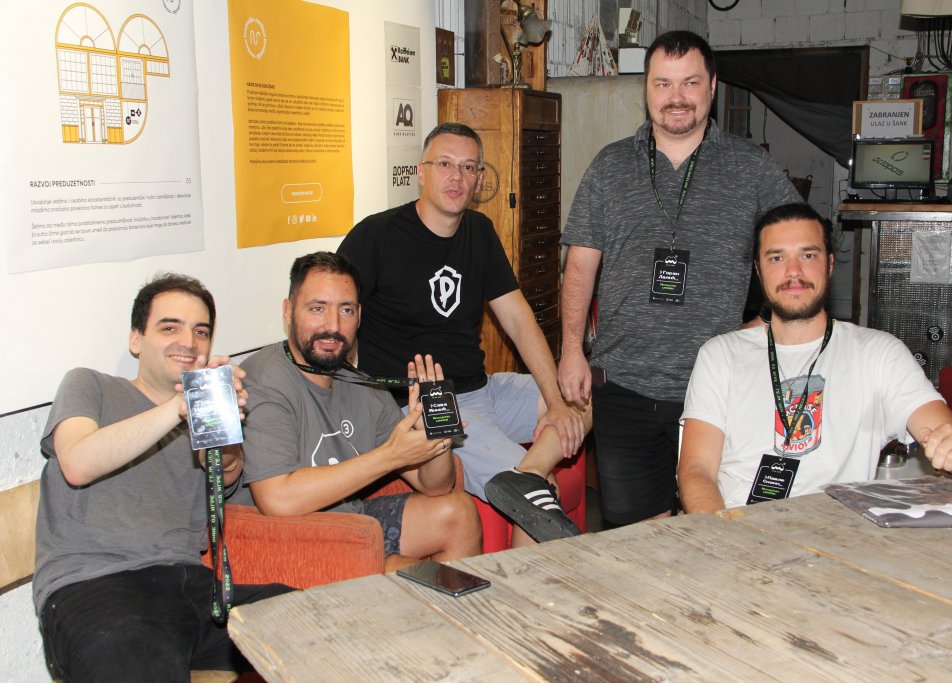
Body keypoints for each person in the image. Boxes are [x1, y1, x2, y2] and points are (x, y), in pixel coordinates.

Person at [558, 30, 801, 526]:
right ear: (646, 89)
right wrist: (571, 349)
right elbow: (580, 263)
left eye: (689, 82)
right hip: (623, 383)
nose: (676, 97)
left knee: (713, 524)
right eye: (663, 83)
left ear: (712, 86)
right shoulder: (610, 165)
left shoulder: (751, 167)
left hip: (717, 387)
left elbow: (797, 245)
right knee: (635, 533)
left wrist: (768, 320)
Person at [339, 123, 590, 545]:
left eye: (468, 167)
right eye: (445, 164)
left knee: (583, 395)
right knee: (538, 499)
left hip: (482, 389)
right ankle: (529, 488)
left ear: (478, 179)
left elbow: (519, 319)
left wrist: (555, 401)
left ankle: (528, 471)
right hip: (423, 403)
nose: (456, 176)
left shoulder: (479, 230)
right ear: (421, 172)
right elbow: (338, 317)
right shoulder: (376, 236)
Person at [34, 274, 291, 681]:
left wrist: (222, 424)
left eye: (200, 331)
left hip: (192, 586)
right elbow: (78, 463)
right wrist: (178, 406)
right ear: (136, 339)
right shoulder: (90, 384)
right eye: (170, 327)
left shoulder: (199, 409)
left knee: (313, 623)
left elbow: (224, 474)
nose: (188, 342)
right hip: (96, 587)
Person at [677, 203, 952, 512]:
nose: (793, 272)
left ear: (829, 264)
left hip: (837, 533)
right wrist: (724, 536)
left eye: (808, 255)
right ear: (758, 270)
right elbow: (696, 470)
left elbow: (944, 428)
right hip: (737, 527)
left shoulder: (878, 353)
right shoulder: (720, 355)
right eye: (777, 257)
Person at [239, 251, 481, 567]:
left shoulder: (363, 385)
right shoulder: (263, 379)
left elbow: (435, 485)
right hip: (286, 538)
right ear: (289, 311)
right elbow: (278, 499)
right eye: (317, 308)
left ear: (359, 316)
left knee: (459, 512)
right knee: (417, 575)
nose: (333, 326)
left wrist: (435, 433)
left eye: (346, 310)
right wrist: (390, 456)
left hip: (353, 525)